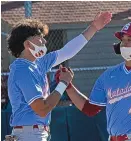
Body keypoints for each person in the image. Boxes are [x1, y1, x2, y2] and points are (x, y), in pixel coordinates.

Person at [55, 22, 131, 141]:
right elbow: (90, 109)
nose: (124, 44)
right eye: (123, 40)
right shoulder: (108, 75)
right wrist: (68, 86)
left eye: (129, 40)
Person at [7, 11, 112, 141]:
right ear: (27, 44)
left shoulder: (38, 64)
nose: (44, 40)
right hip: (29, 135)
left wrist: (93, 27)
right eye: (39, 37)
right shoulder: (23, 70)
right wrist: (63, 83)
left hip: (34, 132)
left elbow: (67, 51)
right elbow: (42, 109)